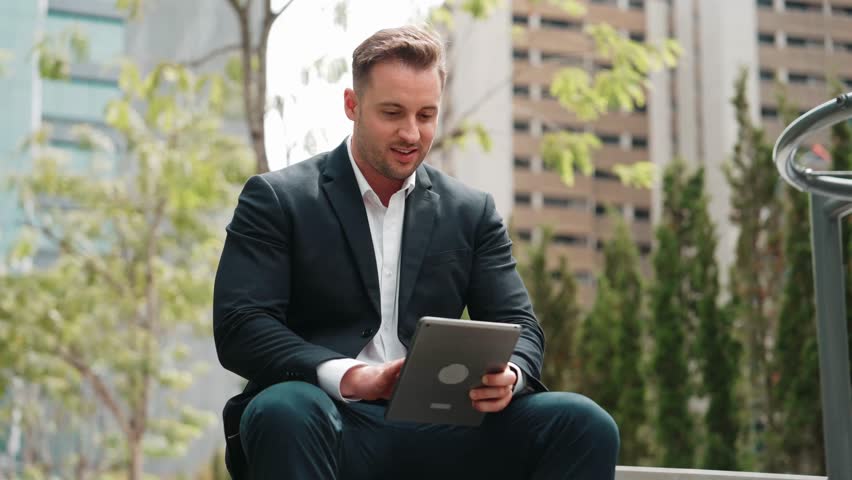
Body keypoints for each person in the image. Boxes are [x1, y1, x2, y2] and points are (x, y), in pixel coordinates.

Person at [213, 25, 619, 480]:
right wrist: (350, 375)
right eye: (392, 113)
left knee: (583, 423)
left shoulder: (471, 211)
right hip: (327, 417)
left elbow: (521, 326)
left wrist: (512, 375)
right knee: (285, 409)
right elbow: (241, 326)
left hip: (446, 426)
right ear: (352, 105)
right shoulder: (277, 199)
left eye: (426, 115)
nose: (411, 133)